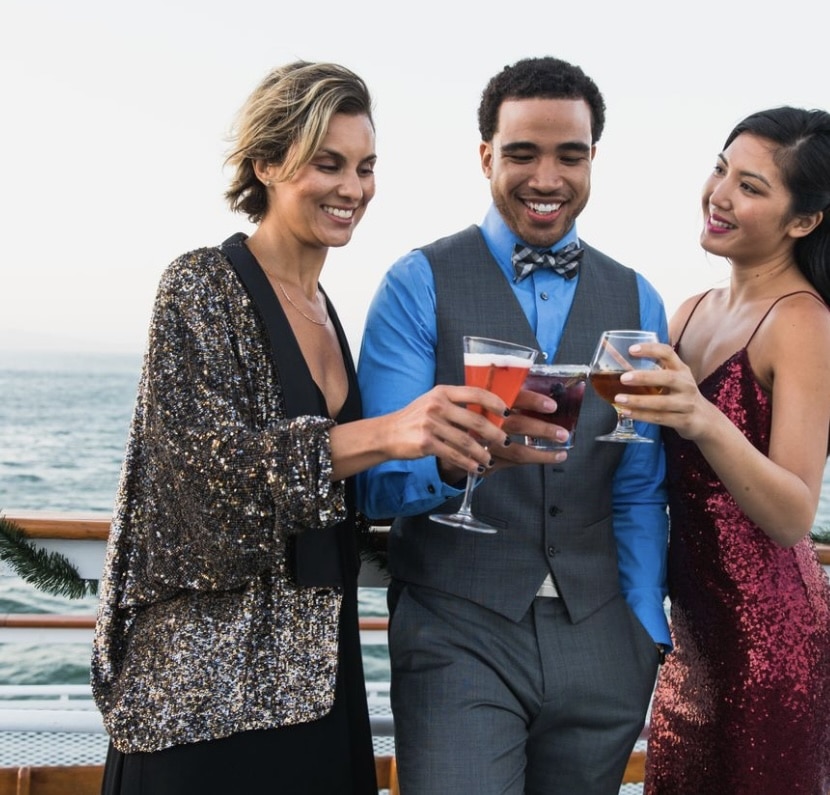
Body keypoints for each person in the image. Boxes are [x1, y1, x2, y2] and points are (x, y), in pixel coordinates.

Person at [90, 60, 520, 795]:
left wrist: (457, 459)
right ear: (266, 162)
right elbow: (201, 478)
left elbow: (333, 495)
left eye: (365, 166)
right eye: (328, 163)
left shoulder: (328, 311)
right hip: (206, 692)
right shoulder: (200, 284)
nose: (352, 188)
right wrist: (389, 432)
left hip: (316, 681)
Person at [356, 55, 671, 795]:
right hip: (458, 630)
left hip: (601, 643)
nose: (547, 178)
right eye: (523, 152)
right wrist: (461, 458)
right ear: (486, 155)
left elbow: (639, 482)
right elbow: (375, 480)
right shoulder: (417, 283)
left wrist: (643, 632)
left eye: (570, 154)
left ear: (594, 157)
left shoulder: (640, 298)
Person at [619, 107, 830, 794]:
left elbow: (795, 513)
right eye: (720, 169)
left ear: (803, 221)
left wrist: (702, 416)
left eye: (751, 186)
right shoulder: (687, 310)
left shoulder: (802, 321)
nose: (719, 194)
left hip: (771, 639)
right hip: (691, 637)